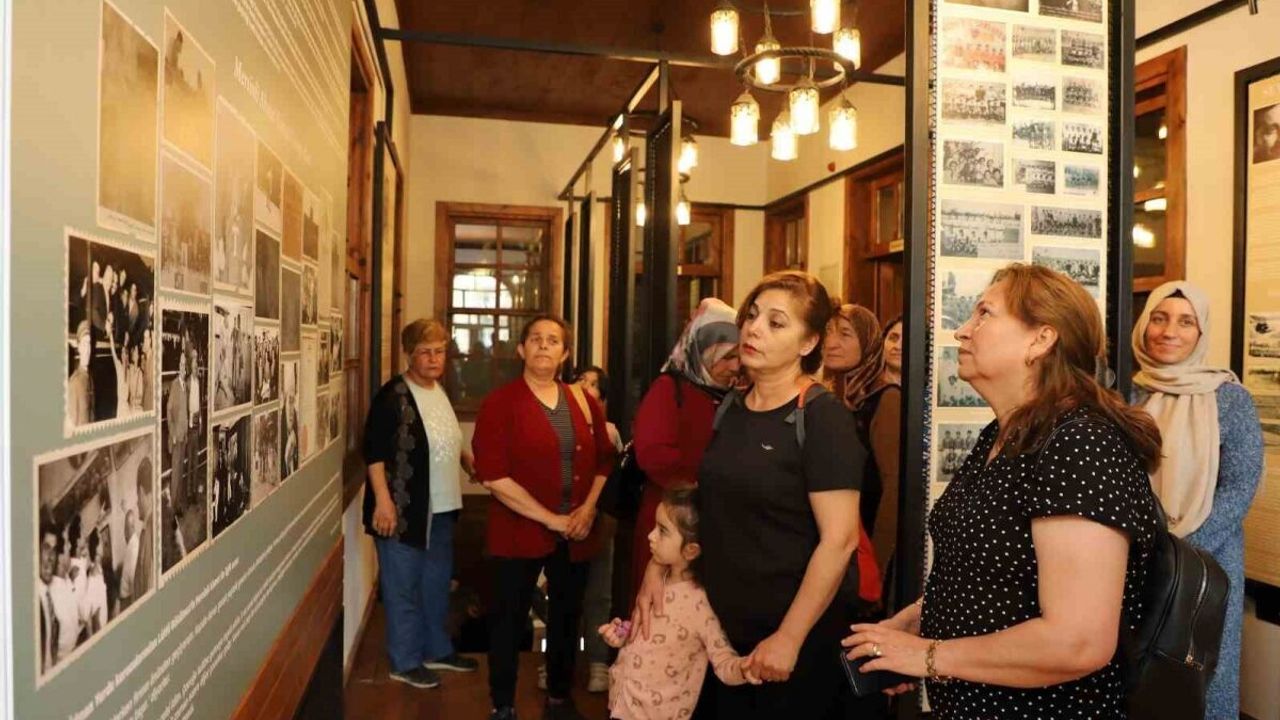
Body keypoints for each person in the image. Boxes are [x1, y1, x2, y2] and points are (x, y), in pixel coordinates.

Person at [842, 264, 1163, 720]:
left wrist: (928, 655)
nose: (962, 331)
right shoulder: (1005, 434)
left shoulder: (1079, 443)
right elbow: (991, 577)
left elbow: (1078, 641)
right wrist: (917, 621)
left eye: (984, 314)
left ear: (1041, 340)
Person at [636, 271, 863, 719]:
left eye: (776, 323)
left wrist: (789, 638)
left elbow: (840, 541)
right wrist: (658, 565)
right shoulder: (732, 406)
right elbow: (706, 505)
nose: (754, 329)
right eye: (752, 316)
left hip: (791, 637)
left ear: (808, 343)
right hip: (724, 632)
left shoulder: (822, 418)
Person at [472, 315, 615, 720]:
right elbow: (493, 476)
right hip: (517, 531)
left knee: (567, 617)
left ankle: (558, 696)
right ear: (521, 349)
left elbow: (605, 460)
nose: (543, 346)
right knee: (508, 619)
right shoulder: (500, 404)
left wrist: (588, 508)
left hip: (577, 530)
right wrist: (551, 519)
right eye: (535, 339)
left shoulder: (583, 401)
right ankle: (503, 703)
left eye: (553, 340)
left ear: (564, 354)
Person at [1131, 282, 1263, 719]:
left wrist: (1179, 552)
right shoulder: (1126, 396)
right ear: (1143, 324)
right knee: (1139, 674)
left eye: (1186, 322)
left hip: (1209, 562)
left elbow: (1240, 487)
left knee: (1203, 672)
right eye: (1159, 318)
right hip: (1135, 559)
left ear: (1201, 332)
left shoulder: (1230, 399)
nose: (1169, 331)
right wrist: (1144, 549)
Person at [362, 318, 480, 691]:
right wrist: (383, 502)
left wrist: (465, 459)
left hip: (442, 508)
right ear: (409, 354)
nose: (433, 358)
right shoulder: (392, 396)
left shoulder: (439, 389)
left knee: (435, 584)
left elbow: (442, 437)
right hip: (403, 509)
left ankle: (436, 650)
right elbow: (374, 453)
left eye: (440, 351)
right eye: (425, 352)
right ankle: (405, 661)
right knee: (403, 587)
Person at [599, 487, 759, 719]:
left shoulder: (701, 605)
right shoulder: (654, 582)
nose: (651, 536)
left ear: (691, 550)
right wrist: (622, 632)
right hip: (622, 706)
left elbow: (724, 662)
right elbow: (647, 633)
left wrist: (745, 668)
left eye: (662, 531)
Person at [631, 299, 740, 601]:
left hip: (715, 520)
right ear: (703, 350)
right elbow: (652, 454)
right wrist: (705, 481)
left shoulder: (735, 395)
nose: (735, 366)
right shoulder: (669, 389)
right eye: (727, 356)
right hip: (671, 518)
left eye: (739, 357)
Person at [573, 366, 623, 694]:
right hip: (560, 520)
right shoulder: (558, 423)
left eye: (594, 385)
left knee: (599, 593)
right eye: (581, 381)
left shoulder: (610, 432)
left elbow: (612, 480)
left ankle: (597, 662)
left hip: (601, 519)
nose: (586, 388)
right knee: (560, 593)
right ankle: (556, 662)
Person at [843, 316, 904, 570]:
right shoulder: (865, 394)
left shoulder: (908, 398)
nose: (898, 346)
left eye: (906, 340)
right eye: (893, 337)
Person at [821, 303, 880, 400]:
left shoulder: (884, 395)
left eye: (845, 334)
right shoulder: (816, 391)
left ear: (867, 343)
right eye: (827, 332)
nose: (830, 344)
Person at [168, 349, 189, 517]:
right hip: (176, 437)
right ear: (178, 367)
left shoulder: (185, 386)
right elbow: (168, 411)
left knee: (181, 471)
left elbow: (185, 412)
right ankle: (172, 509)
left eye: (185, 365)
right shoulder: (175, 385)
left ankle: (178, 506)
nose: (183, 368)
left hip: (184, 436)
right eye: (181, 365)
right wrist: (173, 433)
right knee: (175, 474)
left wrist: (186, 433)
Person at [38, 522, 59, 674]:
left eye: (54, 550)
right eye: (46, 548)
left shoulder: (48, 595)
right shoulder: (32, 600)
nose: (51, 557)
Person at [67, 320, 95, 428]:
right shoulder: (74, 383)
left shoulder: (90, 379)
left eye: (89, 344)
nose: (87, 350)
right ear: (78, 347)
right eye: (84, 344)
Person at [134, 458, 155, 600]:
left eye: (137, 496)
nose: (137, 503)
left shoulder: (149, 530)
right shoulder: (149, 526)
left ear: (141, 492)